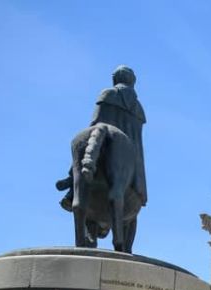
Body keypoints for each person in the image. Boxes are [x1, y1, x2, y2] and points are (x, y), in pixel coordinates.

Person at [59, 65, 148, 210]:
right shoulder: (139, 109)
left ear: (115, 79)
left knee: (86, 141)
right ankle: (138, 190)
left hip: (102, 146)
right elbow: (137, 143)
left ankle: (71, 185)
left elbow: (95, 123)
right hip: (130, 160)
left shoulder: (108, 94)